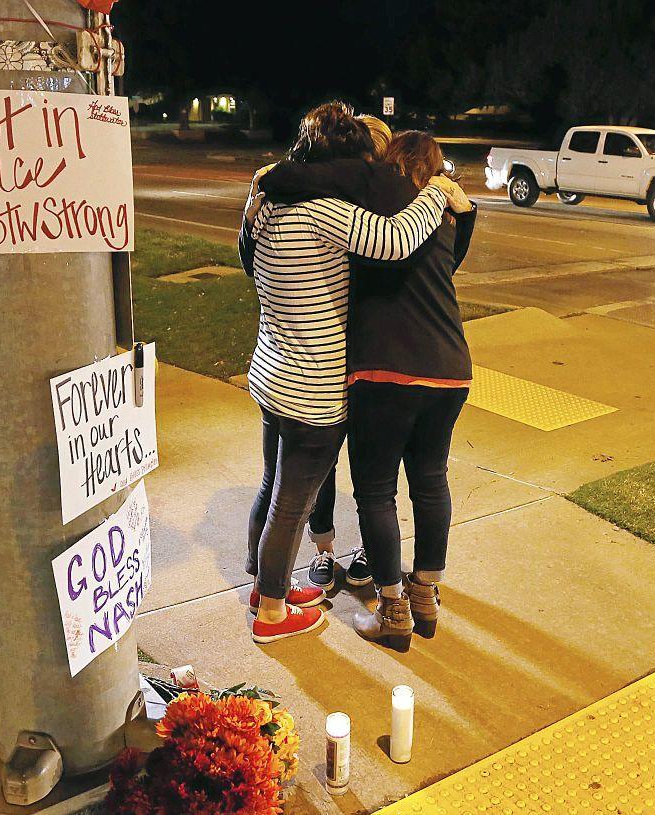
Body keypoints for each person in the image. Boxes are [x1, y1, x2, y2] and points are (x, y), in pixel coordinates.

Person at [238, 103, 465, 645]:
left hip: (271, 367)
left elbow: (247, 258)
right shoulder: (322, 210)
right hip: (312, 383)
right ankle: (271, 612)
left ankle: (262, 581)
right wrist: (437, 192)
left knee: (273, 485)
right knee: (292, 503)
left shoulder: (265, 203)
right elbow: (395, 240)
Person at [302, 113, 393, 593]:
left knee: (370, 464)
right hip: (331, 350)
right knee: (324, 463)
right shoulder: (330, 206)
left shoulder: (387, 210)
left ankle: (364, 549)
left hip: (373, 352)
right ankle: (323, 548)